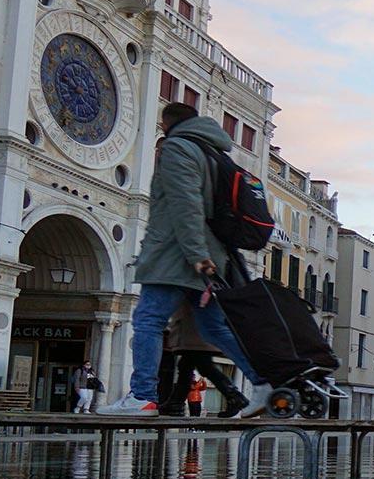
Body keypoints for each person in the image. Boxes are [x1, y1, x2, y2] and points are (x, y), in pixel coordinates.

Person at [104, 102, 273, 417]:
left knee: (148, 319)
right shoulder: (213, 153)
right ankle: (264, 382)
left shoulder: (178, 148)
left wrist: (196, 254)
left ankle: (142, 396)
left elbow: (186, 203)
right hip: (207, 254)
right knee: (214, 329)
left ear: (167, 124)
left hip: (176, 254)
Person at [156, 302, 249, 418]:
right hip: (194, 331)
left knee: (202, 366)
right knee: (187, 366)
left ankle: (235, 396)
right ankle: (176, 403)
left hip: (193, 331)